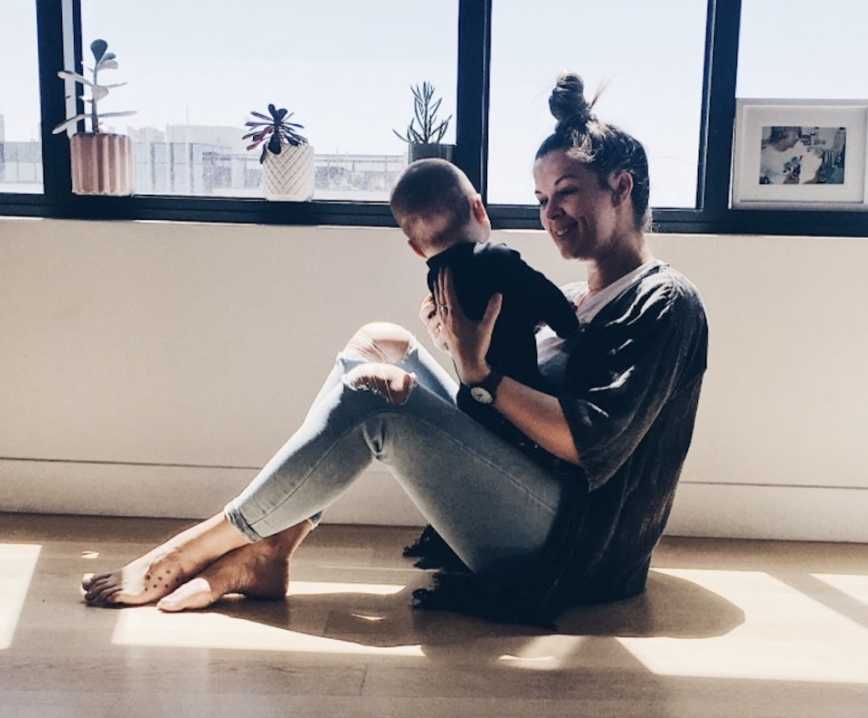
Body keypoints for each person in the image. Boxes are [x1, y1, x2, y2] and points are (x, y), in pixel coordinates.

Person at [81, 70, 708, 626]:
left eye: (565, 192)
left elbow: (590, 441)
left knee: (376, 401)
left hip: (574, 548)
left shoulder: (665, 302)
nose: (550, 213)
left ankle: (203, 544)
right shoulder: (571, 297)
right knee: (381, 345)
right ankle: (271, 551)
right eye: (542, 198)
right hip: (535, 498)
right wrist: (459, 355)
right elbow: (501, 408)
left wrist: (477, 372)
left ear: (622, 186)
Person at [390, 157, 578, 449]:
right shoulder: (499, 260)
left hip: (474, 409)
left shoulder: (438, 279)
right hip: (520, 409)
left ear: (416, 248)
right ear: (479, 208)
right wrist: (568, 320)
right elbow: (550, 302)